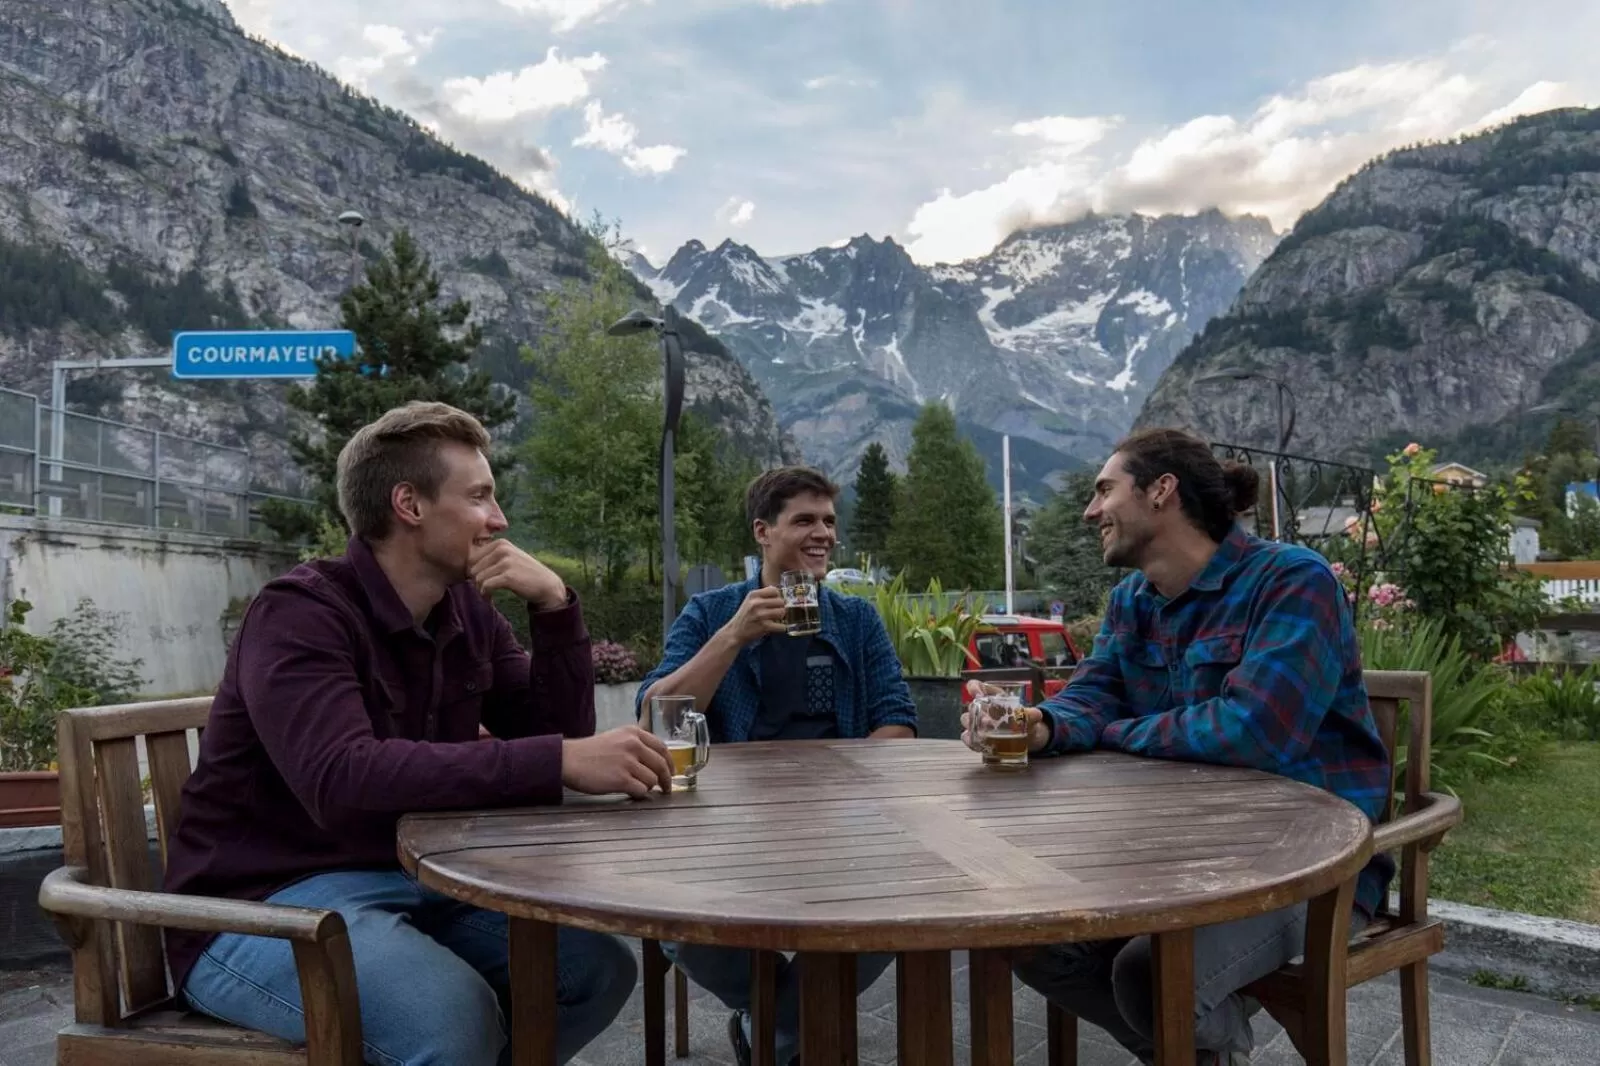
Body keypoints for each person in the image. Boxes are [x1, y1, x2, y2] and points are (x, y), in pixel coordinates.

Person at [163, 401, 674, 1066]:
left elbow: (556, 733)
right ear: (409, 504)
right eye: (481, 496)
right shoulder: (301, 614)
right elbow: (343, 777)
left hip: (415, 877)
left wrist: (553, 608)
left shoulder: (463, 611)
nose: (500, 520)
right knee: (449, 1020)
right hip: (258, 905)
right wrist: (558, 759)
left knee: (591, 971)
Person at [967, 428, 1394, 1066]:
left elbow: (1252, 732)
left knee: (1150, 974)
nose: (1091, 511)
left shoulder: (1290, 582)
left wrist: (1109, 733)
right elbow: (1094, 693)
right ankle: (1206, 1054)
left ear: (1162, 491)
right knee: (1025, 940)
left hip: (1306, 864)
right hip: (1176, 856)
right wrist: (1044, 725)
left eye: (1104, 489)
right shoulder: (1131, 600)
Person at [636, 464, 916, 1066]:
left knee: (908, 906)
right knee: (679, 928)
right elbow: (654, 716)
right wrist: (733, 637)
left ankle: (775, 1033)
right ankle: (799, 1024)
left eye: (830, 522)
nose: (823, 534)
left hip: (839, 828)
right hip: (725, 826)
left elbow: (898, 719)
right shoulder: (712, 614)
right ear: (763, 532)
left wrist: (851, 787)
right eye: (805, 521)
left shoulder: (856, 620)